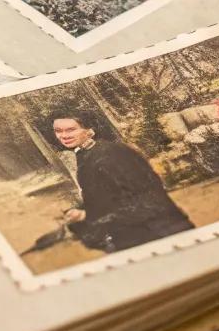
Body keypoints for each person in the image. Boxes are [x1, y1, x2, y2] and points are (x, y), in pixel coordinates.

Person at [49, 109, 192, 254]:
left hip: (162, 234)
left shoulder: (112, 154)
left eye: (71, 130)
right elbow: (107, 195)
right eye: (58, 131)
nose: (64, 136)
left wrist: (87, 216)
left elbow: (147, 202)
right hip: (134, 235)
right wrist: (81, 210)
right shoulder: (86, 154)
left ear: (90, 130)